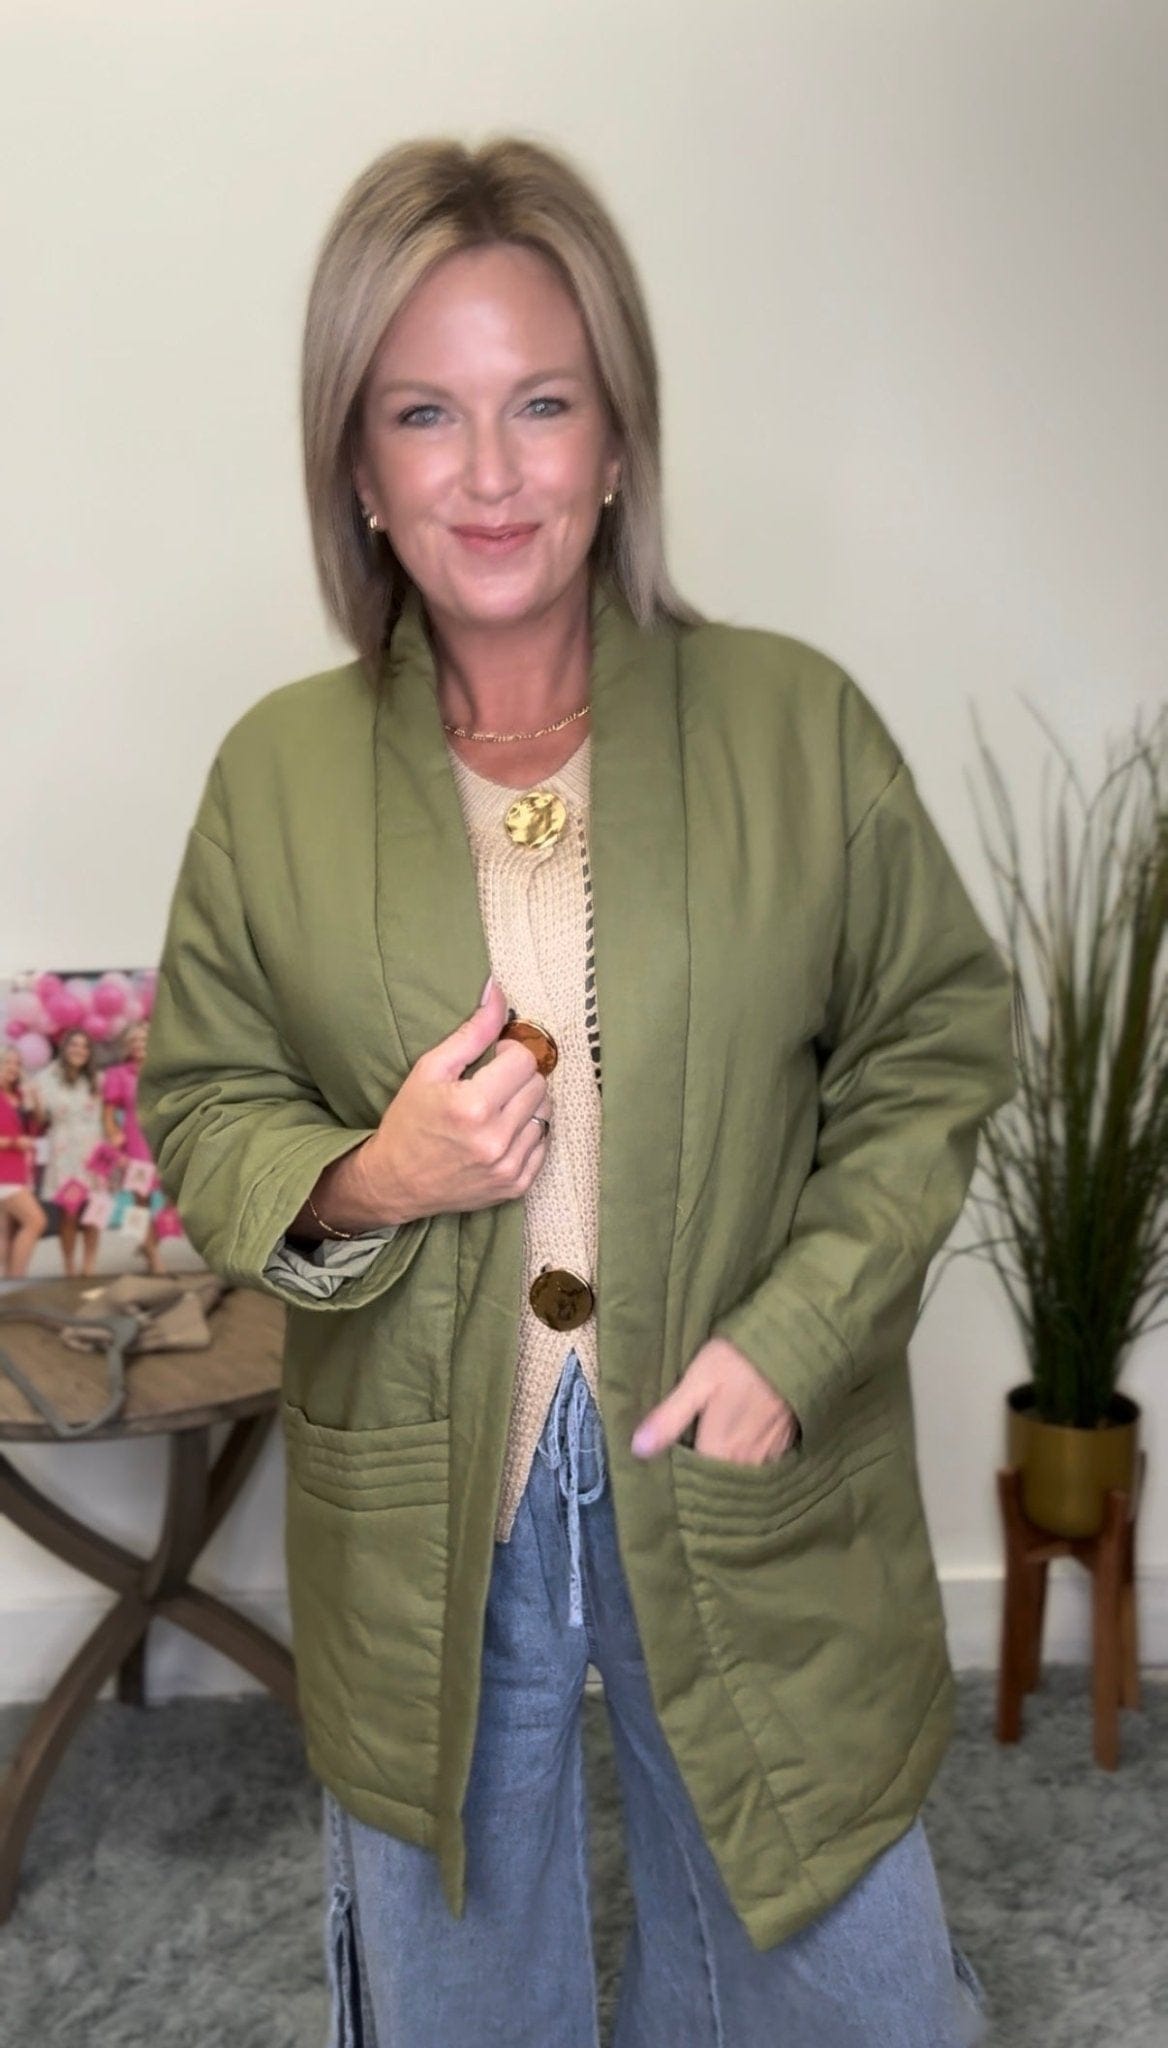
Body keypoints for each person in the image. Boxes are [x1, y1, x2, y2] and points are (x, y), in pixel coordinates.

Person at [140, 137, 1015, 2048]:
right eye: (421, 413)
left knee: (839, 1961)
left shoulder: (792, 724)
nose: (487, 471)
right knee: (459, 1979)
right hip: (426, 1493)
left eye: (539, 403)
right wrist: (371, 1171)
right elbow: (201, 1098)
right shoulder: (275, 776)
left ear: (617, 438)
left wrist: (798, 1326)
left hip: (734, 1452)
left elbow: (930, 1039)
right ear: (355, 467)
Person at [28, 1029, 104, 1277]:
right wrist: (35, 1101)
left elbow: (108, 1116)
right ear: (64, 1048)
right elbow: (41, 1119)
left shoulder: (97, 1079)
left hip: (95, 1152)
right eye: (74, 1045)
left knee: (94, 1212)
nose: (79, 1050)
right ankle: (69, 1266)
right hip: (64, 1153)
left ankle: (89, 1267)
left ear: (89, 1052)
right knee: (69, 1213)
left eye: (84, 1046)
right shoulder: (48, 1078)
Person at [102, 1020, 165, 1275]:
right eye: (134, 1040)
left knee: (173, 1198)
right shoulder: (118, 1074)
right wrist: (114, 1136)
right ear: (127, 1046)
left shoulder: (162, 1071)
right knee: (141, 1202)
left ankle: (147, 1244)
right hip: (136, 1147)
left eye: (144, 1039)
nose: (139, 1044)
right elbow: (108, 1114)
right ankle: (155, 1260)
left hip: (162, 1141)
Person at [0, 1049, 47, 1279]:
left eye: (17, 1063)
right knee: (36, 1221)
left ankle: (8, 1284)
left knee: (8, 1232)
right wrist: (13, 1142)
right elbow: (15, 1138)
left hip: (21, 1169)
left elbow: (37, 1126)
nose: (13, 1067)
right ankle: (16, 1280)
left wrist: (36, 1100)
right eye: (7, 1063)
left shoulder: (19, 1096)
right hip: (4, 1172)